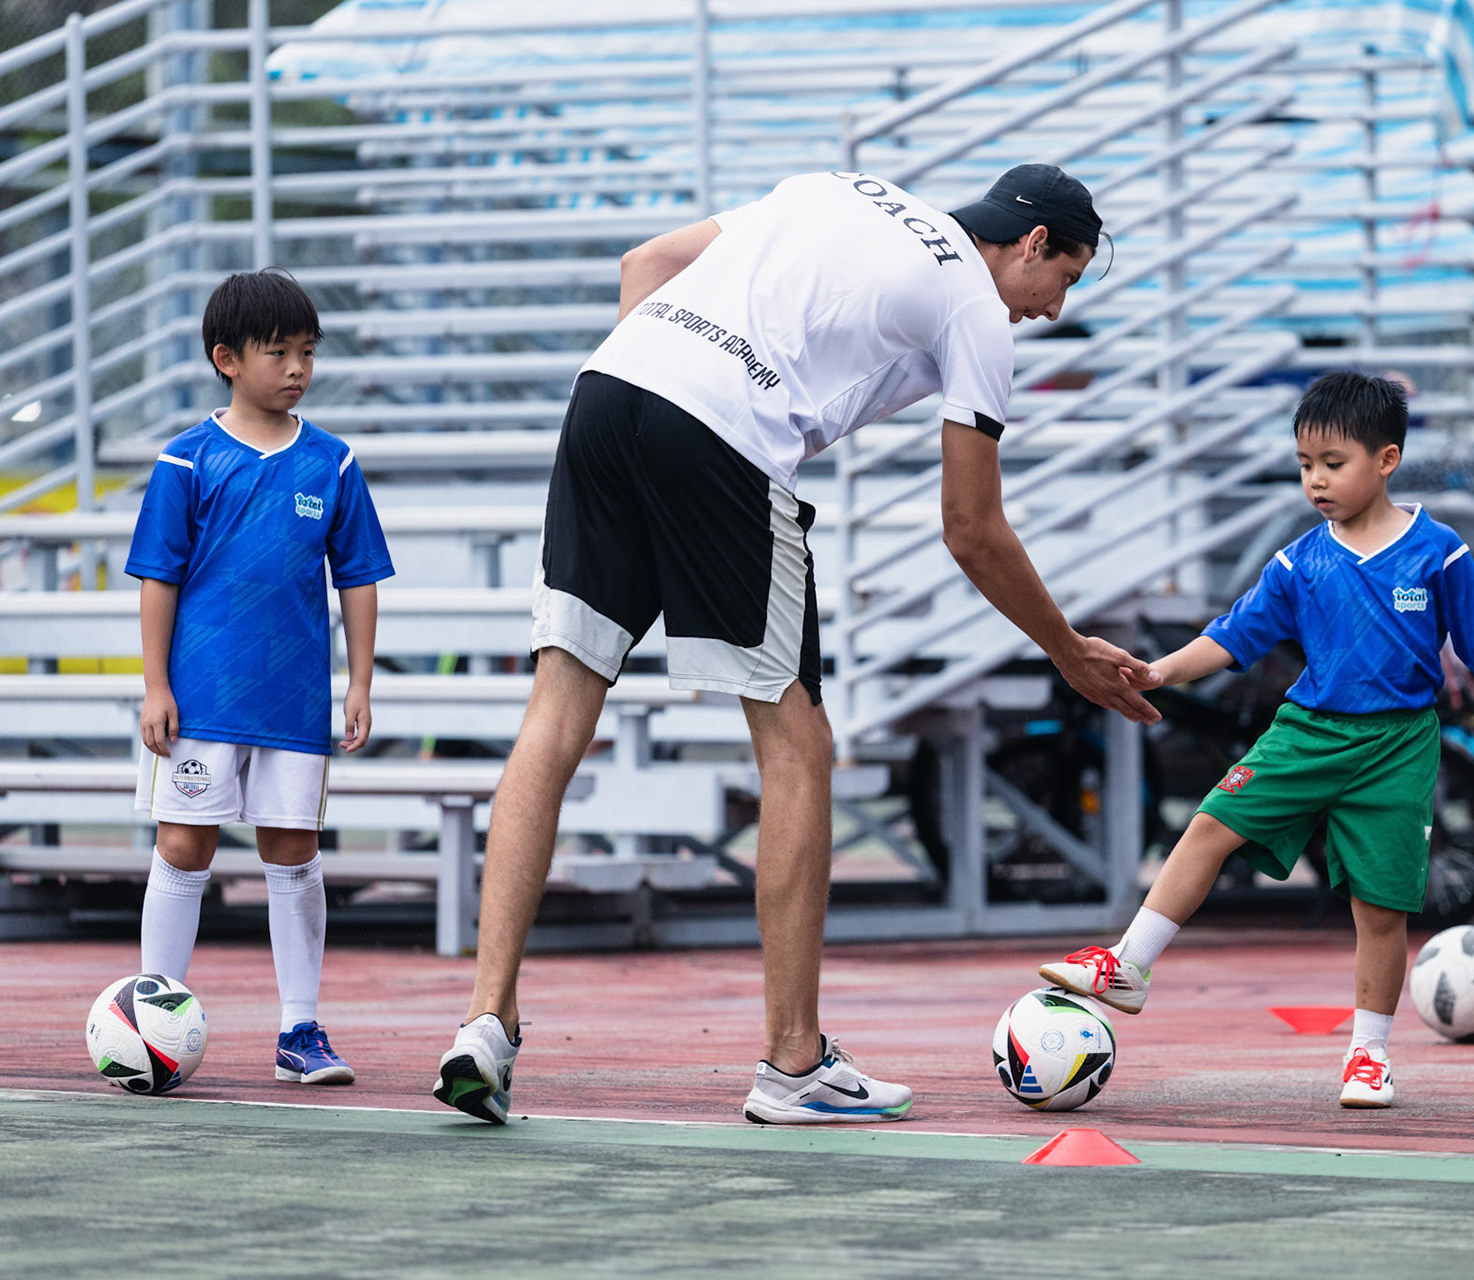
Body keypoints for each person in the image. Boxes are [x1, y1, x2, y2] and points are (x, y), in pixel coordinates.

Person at [433, 164, 1160, 1126]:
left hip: (609, 392)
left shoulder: (839, 187)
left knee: (558, 713)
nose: (1055, 309)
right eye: (1063, 281)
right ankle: (793, 1065)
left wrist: (659, 407)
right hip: (723, 436)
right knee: (798, 745)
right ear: (1031, 245)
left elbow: (645, 259)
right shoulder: (975, 307)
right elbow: (971, 526)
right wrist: (1066, 650)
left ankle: (487, 1020)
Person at [1037, 371, 1474, 1108]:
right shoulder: (1297, 563)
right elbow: (1229, 637)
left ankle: (1368, 1056)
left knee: (1380, 910)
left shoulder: (1439, 553)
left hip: (1398, 748)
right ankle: (1128, 965)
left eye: (1333, 463)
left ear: (1386, 460)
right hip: (1305, 733)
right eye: (1305, 464)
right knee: (1210, 825)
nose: (1315, 480)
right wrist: (1156, 672)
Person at [125, 269, 392, 1085]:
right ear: (227, 358)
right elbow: (158, 578)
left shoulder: (333, 462)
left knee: (293, 852)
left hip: (294, 702)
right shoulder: (186, 460)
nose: (297, 368)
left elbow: (359, 578)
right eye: (278, 352)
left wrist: (359, 683)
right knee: (183, 846)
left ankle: (299, 1031)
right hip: (201, 698)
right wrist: (156, 686)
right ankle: (152, 1019)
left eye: (307, 352)